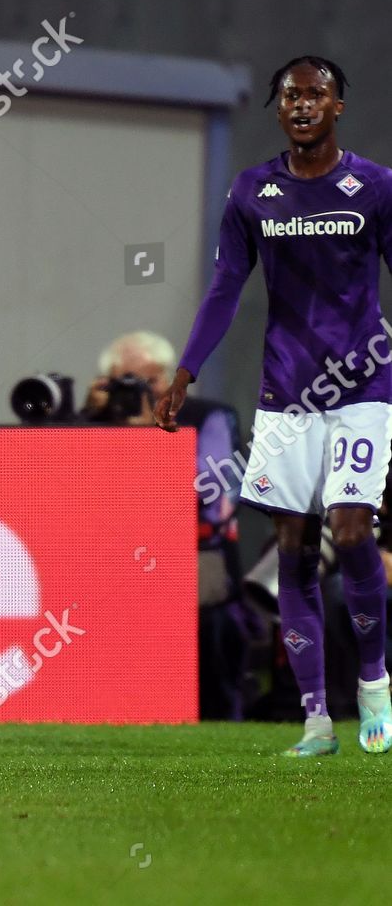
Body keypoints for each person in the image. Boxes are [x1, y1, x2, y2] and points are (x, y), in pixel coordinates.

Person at [157, 55, 392, 756]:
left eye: (316, 95)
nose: (301, 105)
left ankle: (376, 684)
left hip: (361, 391)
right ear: (278, 106)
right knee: (291, 547)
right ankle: (317, 719)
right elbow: (227, 287)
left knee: (351, 535)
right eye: (290, 95)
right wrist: (187, 367)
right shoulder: (253, 191)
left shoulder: (375, 187)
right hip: (285, 397)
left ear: (337, 107)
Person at [87, 331, 250, 718]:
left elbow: (210, 493)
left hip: (192, 553)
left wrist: (148, 437)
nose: (142, 391)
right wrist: (90, 415)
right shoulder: (94, 423)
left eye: (151, 380)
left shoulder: (208, 416)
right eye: (128, 381)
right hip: (107, 559)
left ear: (170, 379)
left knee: (212, 618)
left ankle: (220, 715)